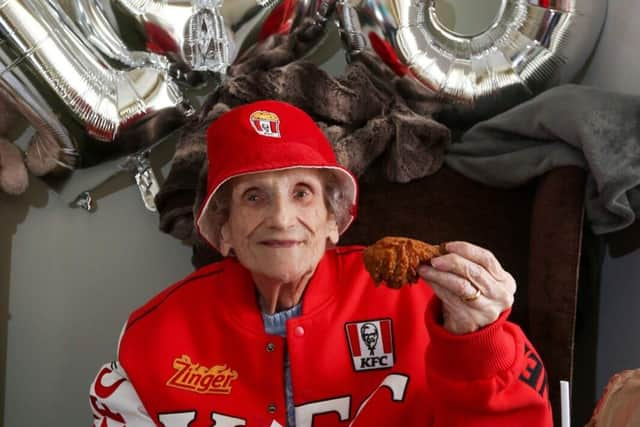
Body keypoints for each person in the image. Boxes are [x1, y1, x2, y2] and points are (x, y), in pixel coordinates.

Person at [89, 100, 552, 427]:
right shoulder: (153, 337)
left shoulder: (426, 302)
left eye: (302, 193)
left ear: (334, 220)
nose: (282, 219)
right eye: (254, 197)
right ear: (222, 229)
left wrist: (480, 345)